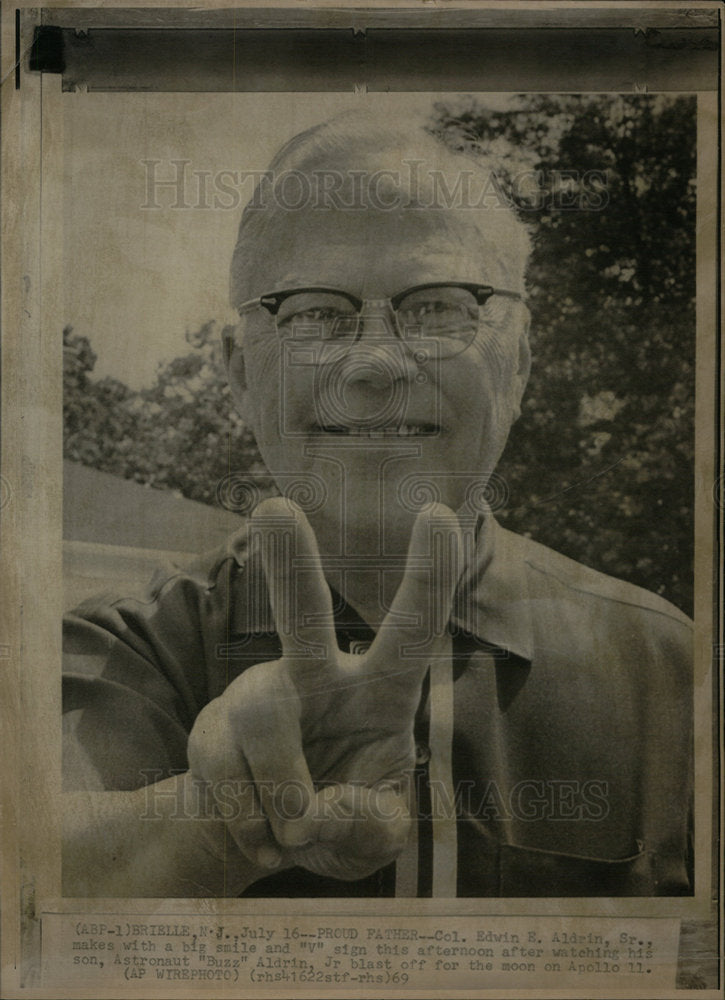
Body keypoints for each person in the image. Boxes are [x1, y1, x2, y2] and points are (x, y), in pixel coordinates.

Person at [62, 111, 693, 898]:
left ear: (521, 361)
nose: (373, 365)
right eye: (315, 313)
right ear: (238, 373)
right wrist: (218, 820)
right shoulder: (122, 650)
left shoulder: (675, 672)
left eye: (435, 307)